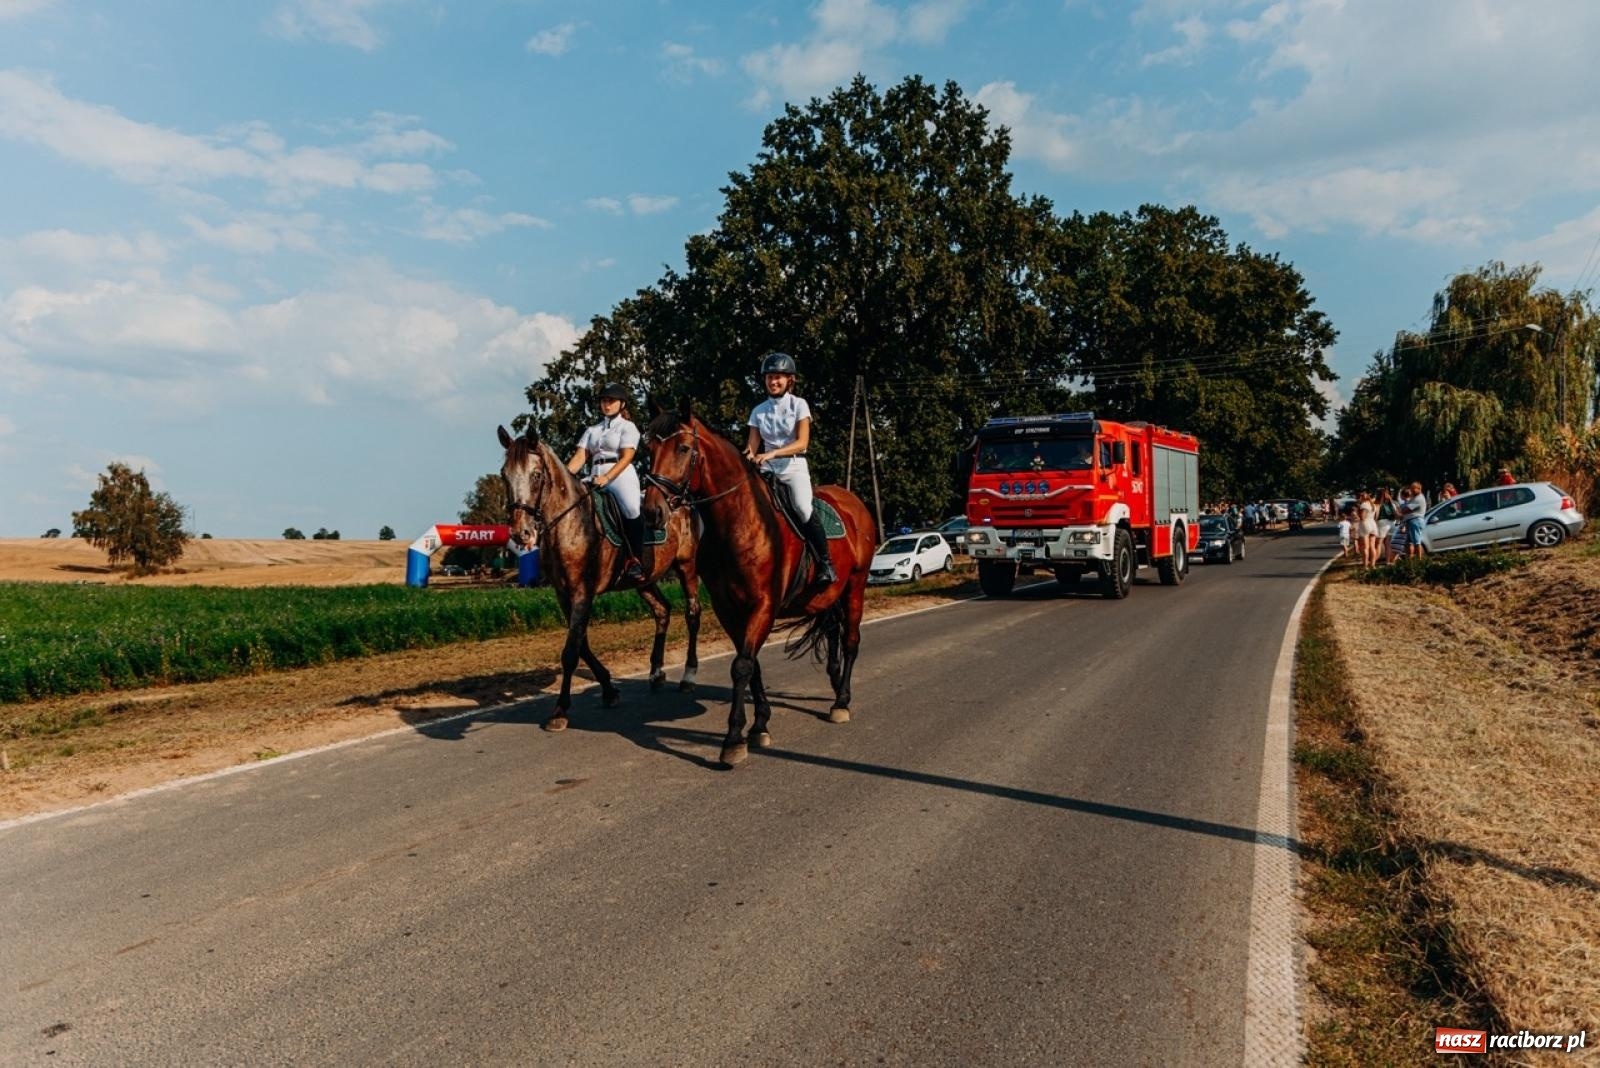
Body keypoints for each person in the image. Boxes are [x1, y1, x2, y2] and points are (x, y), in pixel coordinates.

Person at [745, 351, 836, 584]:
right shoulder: (758, 411)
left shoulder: (799, 405)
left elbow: (802, 442)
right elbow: (752, 447)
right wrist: (746, 457)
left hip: (794, 467)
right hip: (767, 469)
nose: (773, 382)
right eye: (769, 377)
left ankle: (825, 563)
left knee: (803, 508)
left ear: (789, 380)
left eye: (778, 377)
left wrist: (773, 452)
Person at [568, 382, 645, 582]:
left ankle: (634, 559)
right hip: (593, 474)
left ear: (622, 404)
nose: (606, 404)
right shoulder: (592, 430)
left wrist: (608, 478)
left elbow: (627, 457)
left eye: (611, 400)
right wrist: (564, 477)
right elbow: (579, 459)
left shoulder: (628, 427)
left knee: (631, 509)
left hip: (620, 475)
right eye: (604, 400)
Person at [1399, 480, 1429, 558]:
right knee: (1407, 542)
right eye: (1411, 488)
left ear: (1419, 489)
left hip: (1415, 521)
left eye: (1413, 488)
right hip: (1409, 521)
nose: (1411, 490)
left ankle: (1419, 560)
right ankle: (1409, 559)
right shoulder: (1413, 497)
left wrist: (1402, 508)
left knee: (1416, 541)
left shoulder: (1418, 499)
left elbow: (1406, 510)